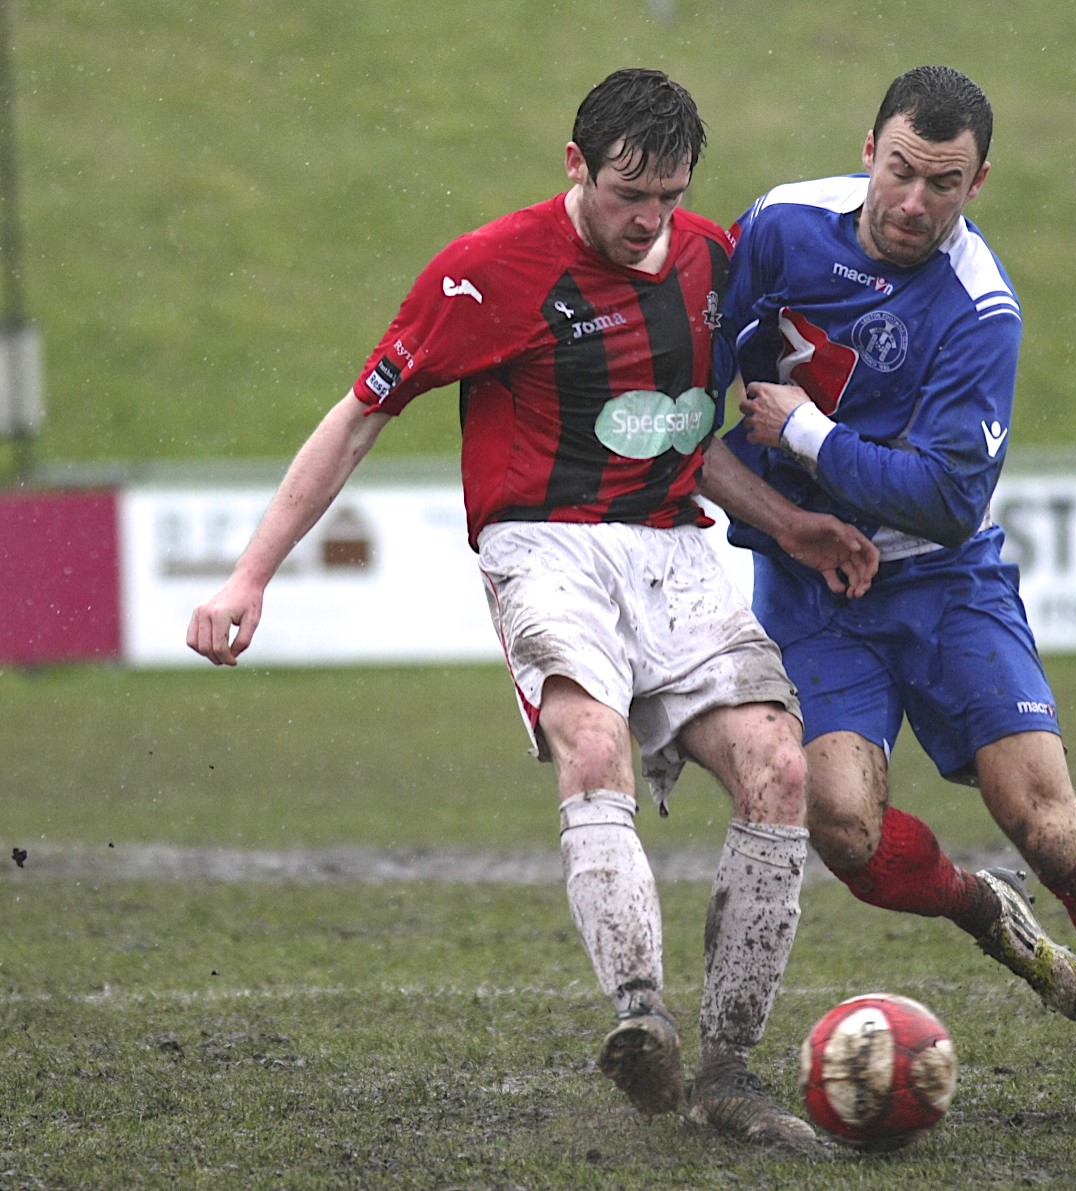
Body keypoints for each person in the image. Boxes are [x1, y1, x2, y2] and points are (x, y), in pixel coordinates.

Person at [186, 68, 878, 1151]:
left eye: (666, 197)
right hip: (544, 549)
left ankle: (729, 1076)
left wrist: (791, 528)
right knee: (590, 741)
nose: (647, 224)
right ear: (575, 166)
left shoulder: (712, 261)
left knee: (780, 769)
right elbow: (358, 418)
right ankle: (640, 1016)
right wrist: (249, 575)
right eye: (624, 195)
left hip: (675, 555)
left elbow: (686, 439)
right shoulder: (484, 275)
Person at [706, 65, 1076, 1117]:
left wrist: (809, 434)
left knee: (1049, 824)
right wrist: (783, 519)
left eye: (946, 184)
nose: (915, 202)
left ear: (980, 183)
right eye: (903, 170)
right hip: (813, 589)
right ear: (868, 145)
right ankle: (978, 909)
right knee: (844, 831)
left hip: (943, 588)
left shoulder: (979, 309)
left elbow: (946, 498)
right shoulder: (780, 229)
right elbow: (697, 396)